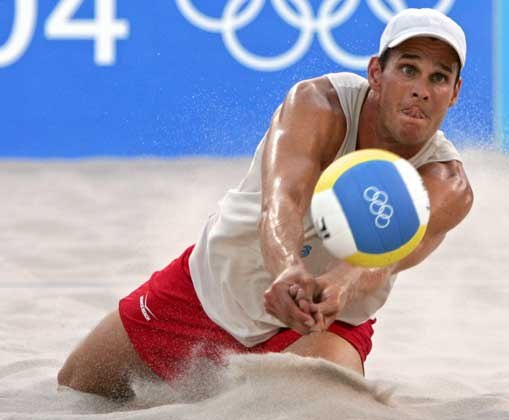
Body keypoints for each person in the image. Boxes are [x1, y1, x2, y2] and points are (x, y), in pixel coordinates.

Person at [58, 8, 474, 399]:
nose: (421, 90)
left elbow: (380, 262)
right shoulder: (319, 104)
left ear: (454, 93)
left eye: (439, 78)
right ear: (376, 73)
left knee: (326, 405)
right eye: (408, 69)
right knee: (78, 388)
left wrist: (338, 285)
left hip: (322, 324)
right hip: (214, 290)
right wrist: (288, 269)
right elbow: (281, 203)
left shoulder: (447, 185)